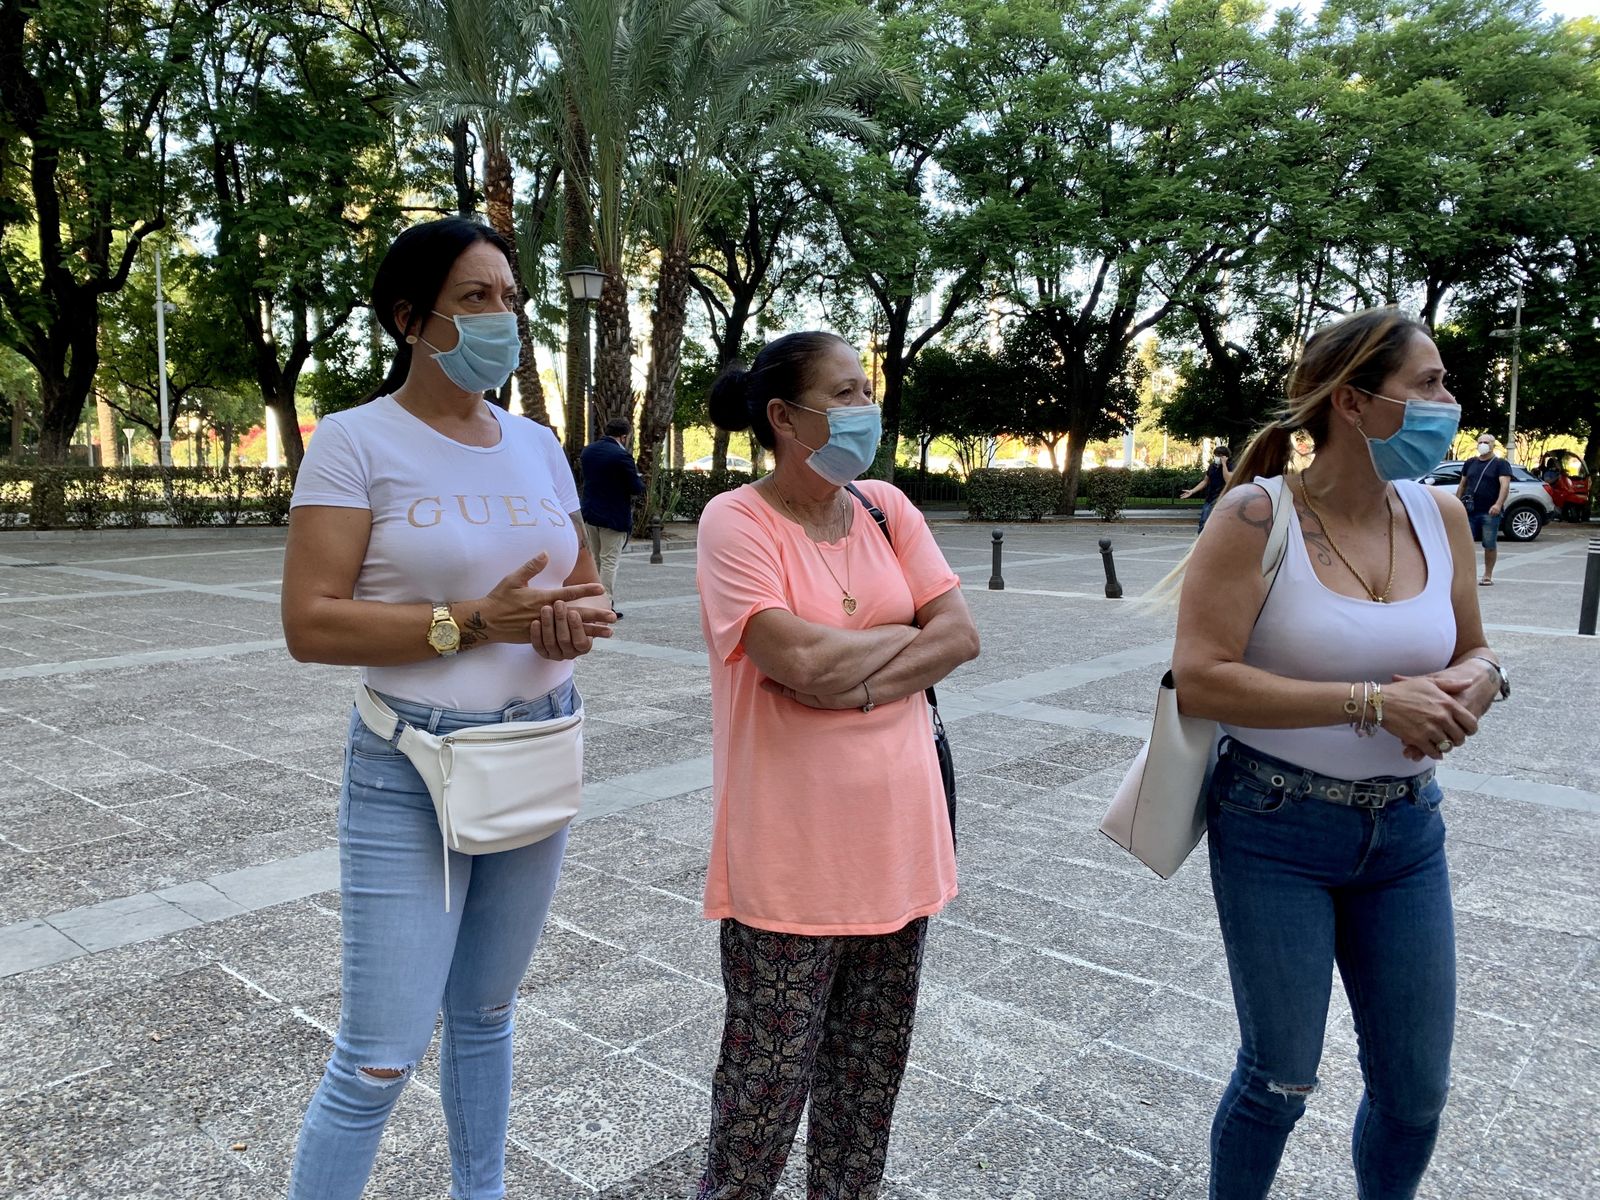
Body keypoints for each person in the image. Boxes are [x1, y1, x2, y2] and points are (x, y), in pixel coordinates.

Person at [280, 217, 616, 1200]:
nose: (501, 317)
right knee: (378, 1057)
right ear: (408, 319)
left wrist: (569, 624)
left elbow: (588, 591)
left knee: (485, 1014)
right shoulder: (354, 443)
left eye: (510, 298)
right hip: (410, 773)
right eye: (476, 298)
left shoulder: (538, 447)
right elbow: (311, 624)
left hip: (534, 750)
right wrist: (468, 623)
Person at [1170, 307, 1507, 1199]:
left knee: (1415, 1095)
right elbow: (1201, 679)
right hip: (1275, 825)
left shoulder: (1441, 514)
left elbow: (1476, 646)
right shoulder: (1255, 514)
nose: (1449, 399)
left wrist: (1483, 679)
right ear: (1354, 403)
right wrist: (1371, 701)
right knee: (1279, 1078)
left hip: (1406, 836)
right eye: (1428, 383)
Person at [692, 331, 980, 1199]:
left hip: (902, 840)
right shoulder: (736, 521)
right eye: (845, 394)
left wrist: (854, 679)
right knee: (762, 1093)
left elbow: (960, 635)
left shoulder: (889, 508)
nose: (867, 409)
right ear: (785, 417)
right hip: (791, 858)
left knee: (865, 1088)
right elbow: (794, 662)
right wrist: (904, 640)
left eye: (868, 390)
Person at [579, 416, 645, 617]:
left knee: (596, 560)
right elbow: (635, 488)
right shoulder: (621, 456)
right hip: (613, 517)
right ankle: (605, 604)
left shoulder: (588, 451)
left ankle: (593, 600)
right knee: (609, 561)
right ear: (624, 436)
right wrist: (640, 481)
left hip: (590, 513)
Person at [1457, 434, 1512, 585]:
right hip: (1469, 510)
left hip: (1489, 511)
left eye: (1486, 442)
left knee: (1489, 543)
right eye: (1480, 442)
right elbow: (1462, 484)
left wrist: (1498, 504)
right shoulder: (1470, 463)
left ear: (1493, 445)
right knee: (1464, 544)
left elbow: (1505, 486)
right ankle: (1465, 575)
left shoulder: (1500, 464)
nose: (1482, 444)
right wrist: (1457, 503)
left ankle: (1487, 575)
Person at [1182, 446, 1233, 532]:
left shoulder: (1230, 466)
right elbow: (1205, 481)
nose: (1217, 458)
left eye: (1220, 456)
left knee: (1217, 521)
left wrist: (1224, 464)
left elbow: (1228, 479)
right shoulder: (1212, 466)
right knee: (1204, 520)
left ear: (1225, 457)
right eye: (1216, 455)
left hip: (1222, 497)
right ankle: (1201, 538)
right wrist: (1192, 491)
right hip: (1211, 497)